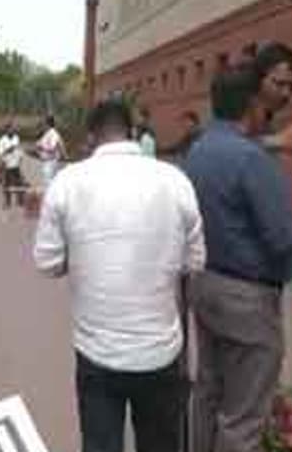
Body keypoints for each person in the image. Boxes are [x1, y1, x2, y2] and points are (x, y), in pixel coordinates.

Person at [33, 99, 205, 452]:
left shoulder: (67, 183)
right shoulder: (175, 181)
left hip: (97, 350)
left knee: (100, 444)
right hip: (160, 350)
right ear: (132, 133)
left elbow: (47, 262)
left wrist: (82, 257)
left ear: (91, 137)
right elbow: (195, 261)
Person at [183, 64, 292, 452]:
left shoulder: (198, 151)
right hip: (247, 295)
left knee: (209, 391)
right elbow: (280, 238)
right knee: (244, 413)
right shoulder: (251, 159)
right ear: (252, 103)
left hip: (205, 283)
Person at [0, 123, 24, 210]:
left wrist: (21, 157)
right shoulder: (2, 140)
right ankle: (7, 202)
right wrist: (9, 149)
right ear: (6, 130)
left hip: (16, 164)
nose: (12, 130)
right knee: (7, 184)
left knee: (19, 183)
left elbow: (18, 148)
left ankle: (20, 200)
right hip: (7, 164)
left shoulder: (16, 137)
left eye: (13, 129)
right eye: (10, 129)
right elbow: (0, 153)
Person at [36, 114, 66, 182]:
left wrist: (41, 147)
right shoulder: (47, 133)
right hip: (46, 161)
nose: (42, 125)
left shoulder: (53, 134)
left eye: (44, 123)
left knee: (49, 181)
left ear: (48, 124)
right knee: (47, 180)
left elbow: (52, 147)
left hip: (51, 162)